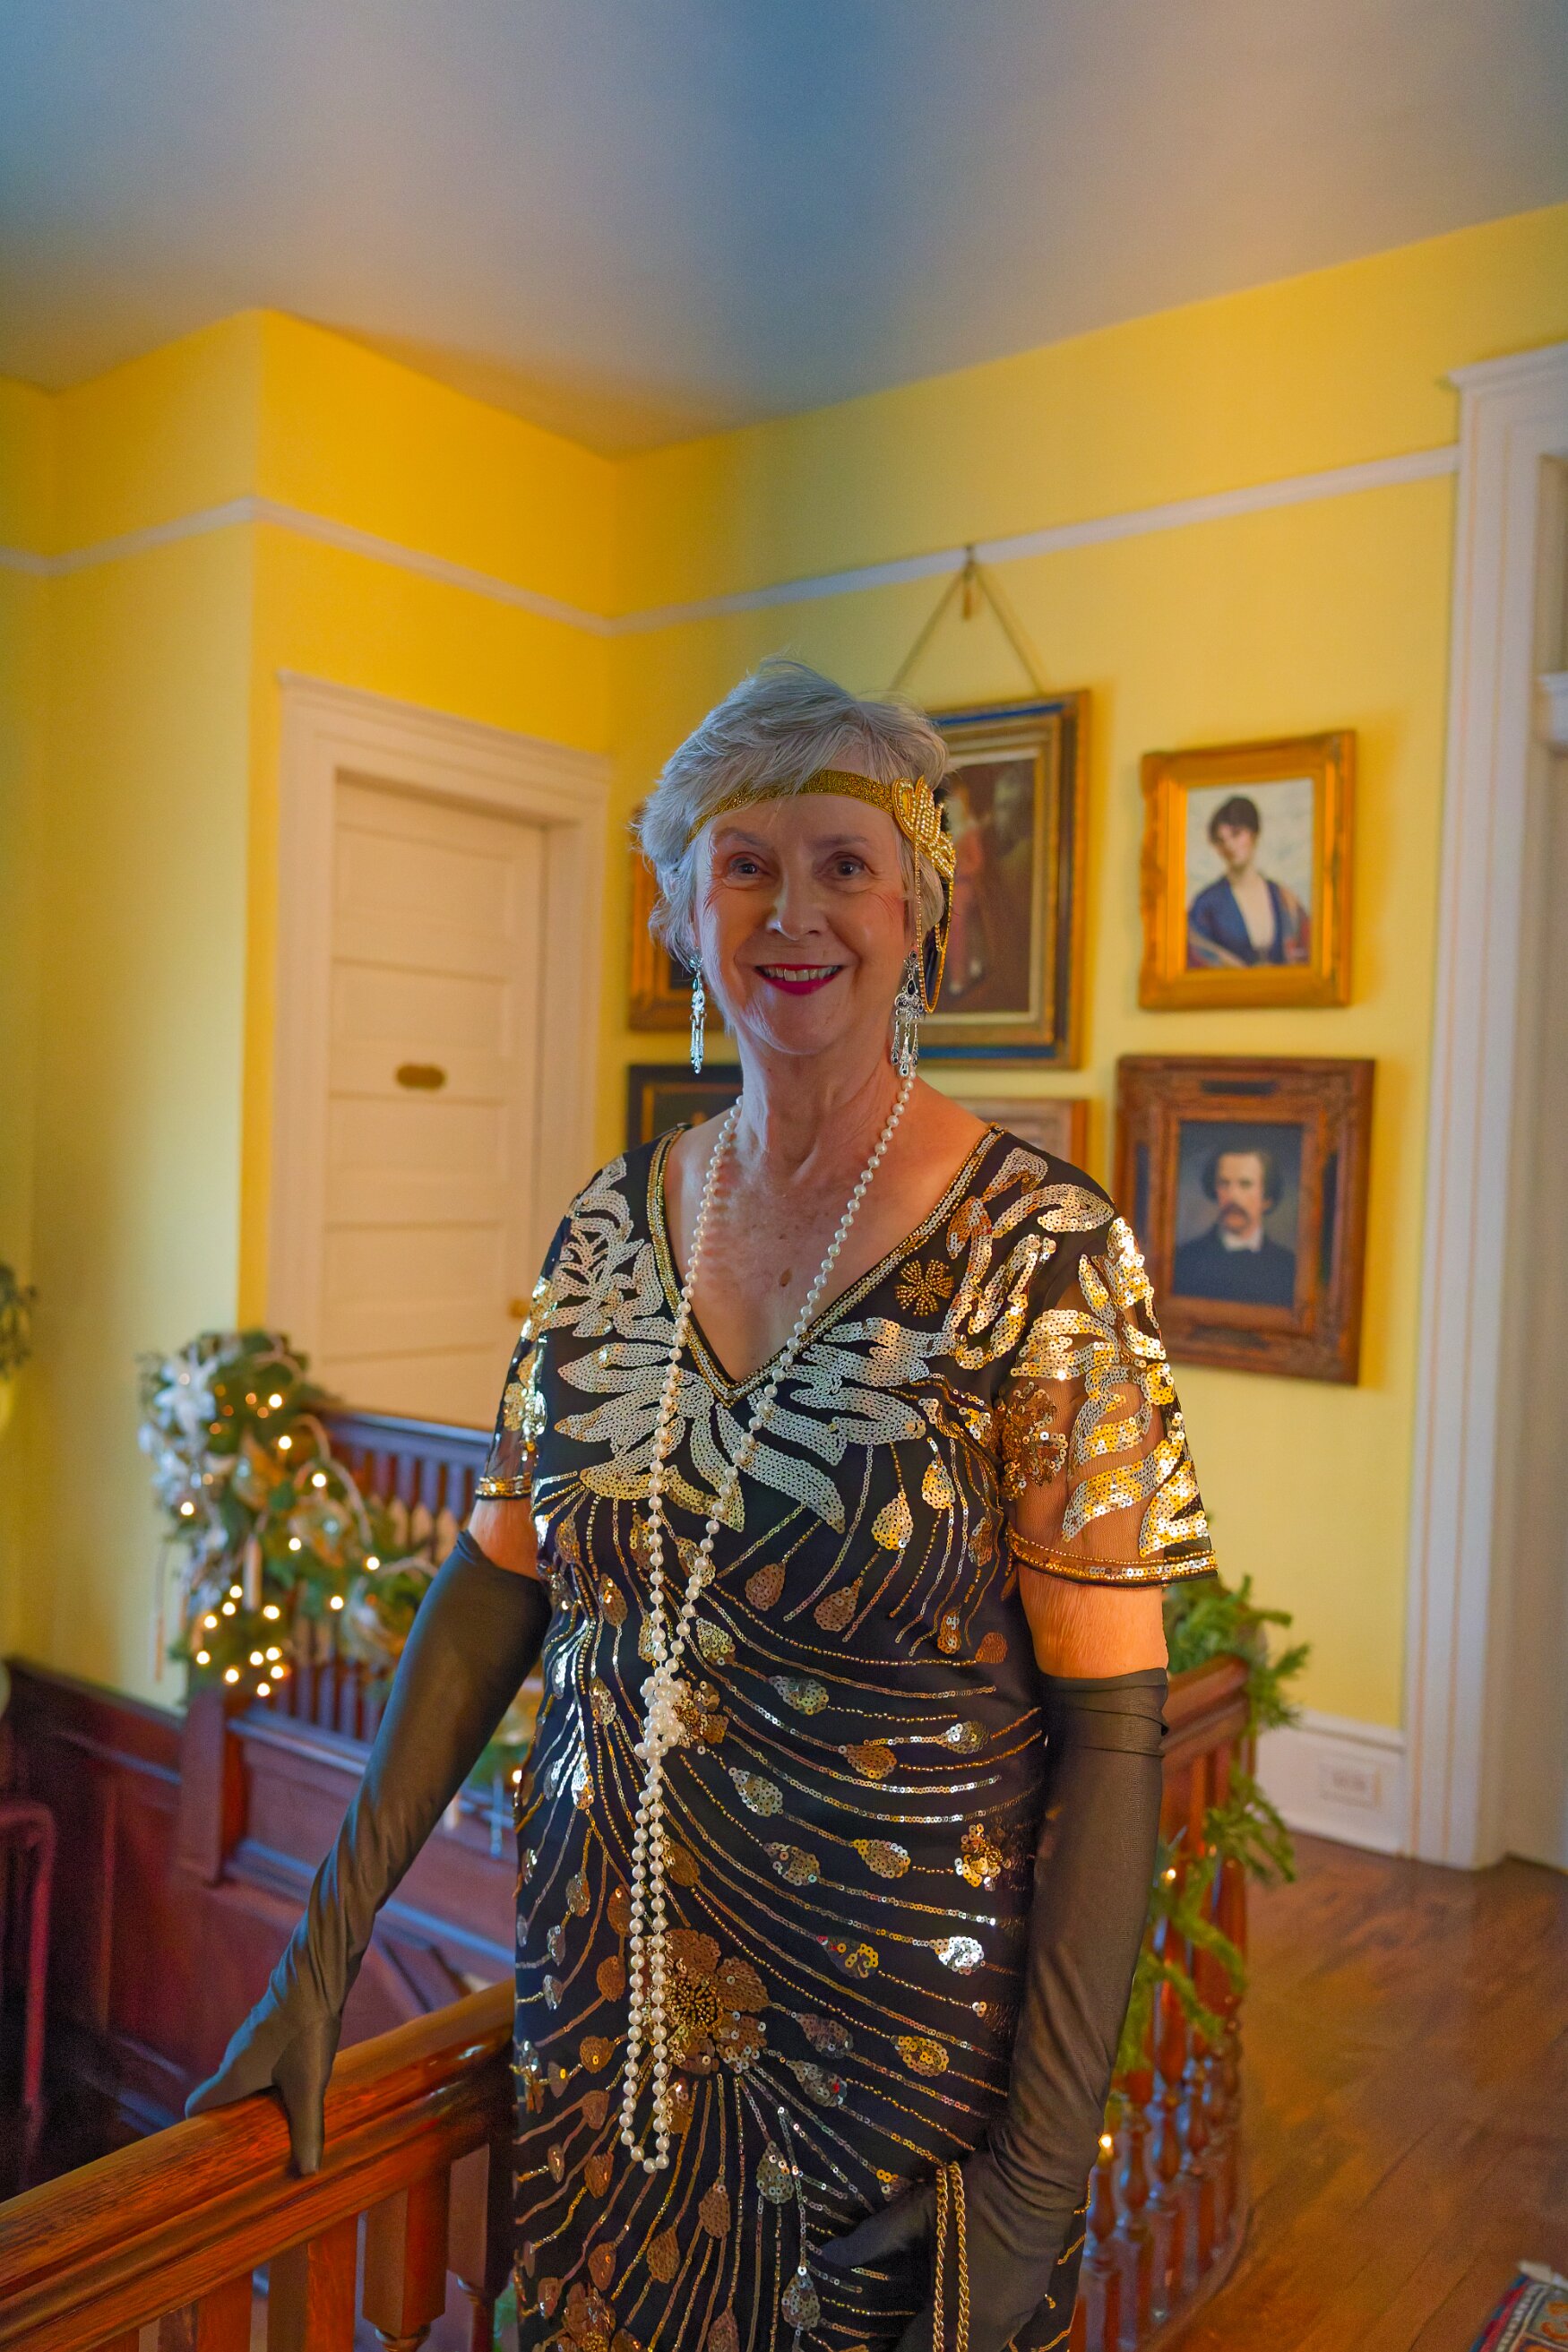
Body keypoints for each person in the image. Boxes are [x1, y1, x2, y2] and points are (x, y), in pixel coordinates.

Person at [190, 660, 1216, 2352]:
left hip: (896, 2069)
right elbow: (498, 1581)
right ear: (680, 917)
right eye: (745, 865)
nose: (793, 912)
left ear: (919, 914)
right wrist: (321, 1947)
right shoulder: (608, 1229)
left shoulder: (1041, 1256)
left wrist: (1034, 2184)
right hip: (600, 2019)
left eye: (843, 863)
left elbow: (1114, 1729)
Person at [1186, 793, 1310, 969]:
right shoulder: (1205, 905)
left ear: (1254, 834)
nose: (1229, 846)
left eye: (1236, 834)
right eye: (1221, 840)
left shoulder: (1284, 899)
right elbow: (1194, 958)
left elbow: (1307, 955)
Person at [1172, 1144, 1297, 1308]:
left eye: (1245, 1184)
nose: (1232, 1196)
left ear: (1267, 1198)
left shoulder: (1288, 1268)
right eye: (1224, 1183)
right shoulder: (1185, 1260)